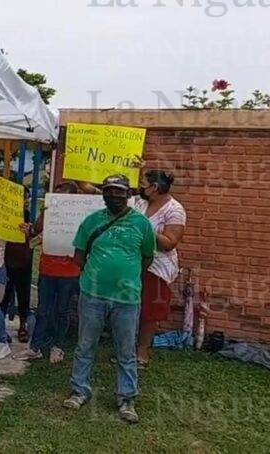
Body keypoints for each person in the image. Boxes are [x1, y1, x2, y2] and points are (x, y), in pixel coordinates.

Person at [63, 174, 156, 424]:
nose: (114, 195)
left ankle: (127, 398)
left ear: (128, 195)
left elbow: (147, 257)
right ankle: (79, 390)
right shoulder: (91, 221)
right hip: (92, 295)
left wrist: (125, 274)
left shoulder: (142, 224)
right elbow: (79, 256)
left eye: (119, 191)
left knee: (126, 350)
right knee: (85, 345)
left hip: (127, 298)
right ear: (103, 194)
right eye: (109, 191)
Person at [15, 182, 82, 364]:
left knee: (62, 310)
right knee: (43, 309)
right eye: (56, 195)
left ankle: (57, 346)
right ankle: (35, 347)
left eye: (63, 197)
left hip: (69, 272)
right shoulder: (49, 214)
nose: (58, 199)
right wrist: (46, 211)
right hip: (47, 270)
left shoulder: (79, 217)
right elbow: (36, 230)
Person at [135, 170, 186, 366]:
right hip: (134, 263)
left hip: (157, 267)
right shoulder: (140, 203)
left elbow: (169, 243)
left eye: (143, 183)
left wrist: (145, 229)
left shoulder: (175, 210)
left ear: (154, 187)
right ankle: (127, 347)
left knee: (149, 311)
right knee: (131, 307)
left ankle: (142, 351)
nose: (140, 187)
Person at [2, 216, 34, 342]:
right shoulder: (5, 215)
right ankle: (2, 328)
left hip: (24, 264)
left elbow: (36, 240)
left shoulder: (29, 218)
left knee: (23, 296)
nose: (25, 201)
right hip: (7, 262)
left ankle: (23, 327)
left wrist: (29, 234)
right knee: (4, 297)